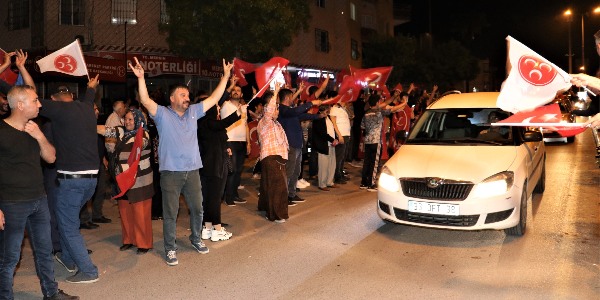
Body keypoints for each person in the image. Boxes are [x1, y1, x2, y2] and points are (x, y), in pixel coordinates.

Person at [129, 57, 233, 266]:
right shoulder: (162, 114)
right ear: (172, 98)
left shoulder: (194, 112)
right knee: (170, 214)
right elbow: (146, 100)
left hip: (193, 171)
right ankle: (170, 248)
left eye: (187, 95)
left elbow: (214, 98)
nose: (187, 97)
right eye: (182, 95)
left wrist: (226, 77)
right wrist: (141, 78)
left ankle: (195, 239)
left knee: (198, 209)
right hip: (171, 173)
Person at [0, 85, 78, 299]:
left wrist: (40, 136)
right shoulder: (2, 132)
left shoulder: (34, 128)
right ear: (21, 105)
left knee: (45, 252)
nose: (40, 104)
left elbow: (51, 158)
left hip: (39, 200)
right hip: (11, 204)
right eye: (35, 100)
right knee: (9, 259)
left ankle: (51, 293)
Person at [97, 109, 154, 254]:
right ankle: (129, 240)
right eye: (126, 119)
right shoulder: (122, 132)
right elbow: (104, 130)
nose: (127, 122)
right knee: (125, 211)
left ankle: (143, 243)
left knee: (141, 213)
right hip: (122, 180)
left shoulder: (144, 134)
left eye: (131, 119)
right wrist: (86, 123)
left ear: (139, 121)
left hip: (139, 180)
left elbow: (136, 145)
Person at [198, 100, 241, 241]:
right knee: (215, 198)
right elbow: (221, 125)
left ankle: (207, 227)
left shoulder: (202, 124)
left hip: (205, 166)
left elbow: (216, 139)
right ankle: (217, 228)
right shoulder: (210, 123)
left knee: (208, 198)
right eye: (216, 106)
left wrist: (225, 147)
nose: (218, 109)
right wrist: (237, 114)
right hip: (216, 166)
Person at [277, 86, 323, 204]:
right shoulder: (282, 110)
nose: (293, 99)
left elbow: (303, 116)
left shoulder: (290, 111)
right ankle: (283, 197)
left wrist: (318, 116)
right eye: (292, 97)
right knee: (289, 172)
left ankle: (291, 194)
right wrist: (311, 103)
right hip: (290, 145)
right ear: (288, 97)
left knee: (296, 172)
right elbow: (297, 111)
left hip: (297, 145)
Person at [257, 85, 290, 223]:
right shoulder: (266, 122)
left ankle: (265, 209)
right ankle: (276, 215)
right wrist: (276, 92)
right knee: (278, 188)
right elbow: (269, 111)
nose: (277, 110)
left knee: (269, 186)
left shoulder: (276, 124)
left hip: (277, 158)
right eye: (276, 107)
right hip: (271, 158)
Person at [360, 94, 406, 191]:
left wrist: (393, 97)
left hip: (367, 141)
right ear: (377, 103)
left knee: (367, 162)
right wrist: (404, 103)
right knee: (374, 163)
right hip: (376, 141)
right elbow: (393, 109)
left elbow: (363, 127)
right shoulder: (379, 112)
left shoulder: (366, 113)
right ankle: (371, 184)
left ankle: (363, 182)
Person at [221, 85, 249, 206]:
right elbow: (220, 98)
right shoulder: (225, 105)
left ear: (242, 94)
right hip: (230, 141)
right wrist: (230, 85)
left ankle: (234, 194)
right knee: (231, 170)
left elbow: (246, 125)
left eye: (238, 90)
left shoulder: (243, 107)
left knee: (238, 171)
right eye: (234, 90)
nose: (236, 92)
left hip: (241, 142)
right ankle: (228, 197)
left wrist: (248, 143)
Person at [311, 105, 339, 191]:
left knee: (331, 163)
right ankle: (322, 184)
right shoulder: (318, 118)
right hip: (323, 145)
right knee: (323, 165)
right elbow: (322, 133)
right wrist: (332, 140)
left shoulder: (329, 118)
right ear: (322, 110)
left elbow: (333, 129)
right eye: (327, 110)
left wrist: (336, 139)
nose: (329, 112)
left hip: (331, 144)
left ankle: (330, 182)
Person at [330, 101, 351, 184]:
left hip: (346, 134)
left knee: (343, 156)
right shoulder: (334, 109)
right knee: (339, 157)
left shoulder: (342, 109)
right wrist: (339, 135)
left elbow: (352, 115)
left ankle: (340, 173)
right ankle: (337, 176)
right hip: (340, 135)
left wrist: (345, 107)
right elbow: (334, 123)